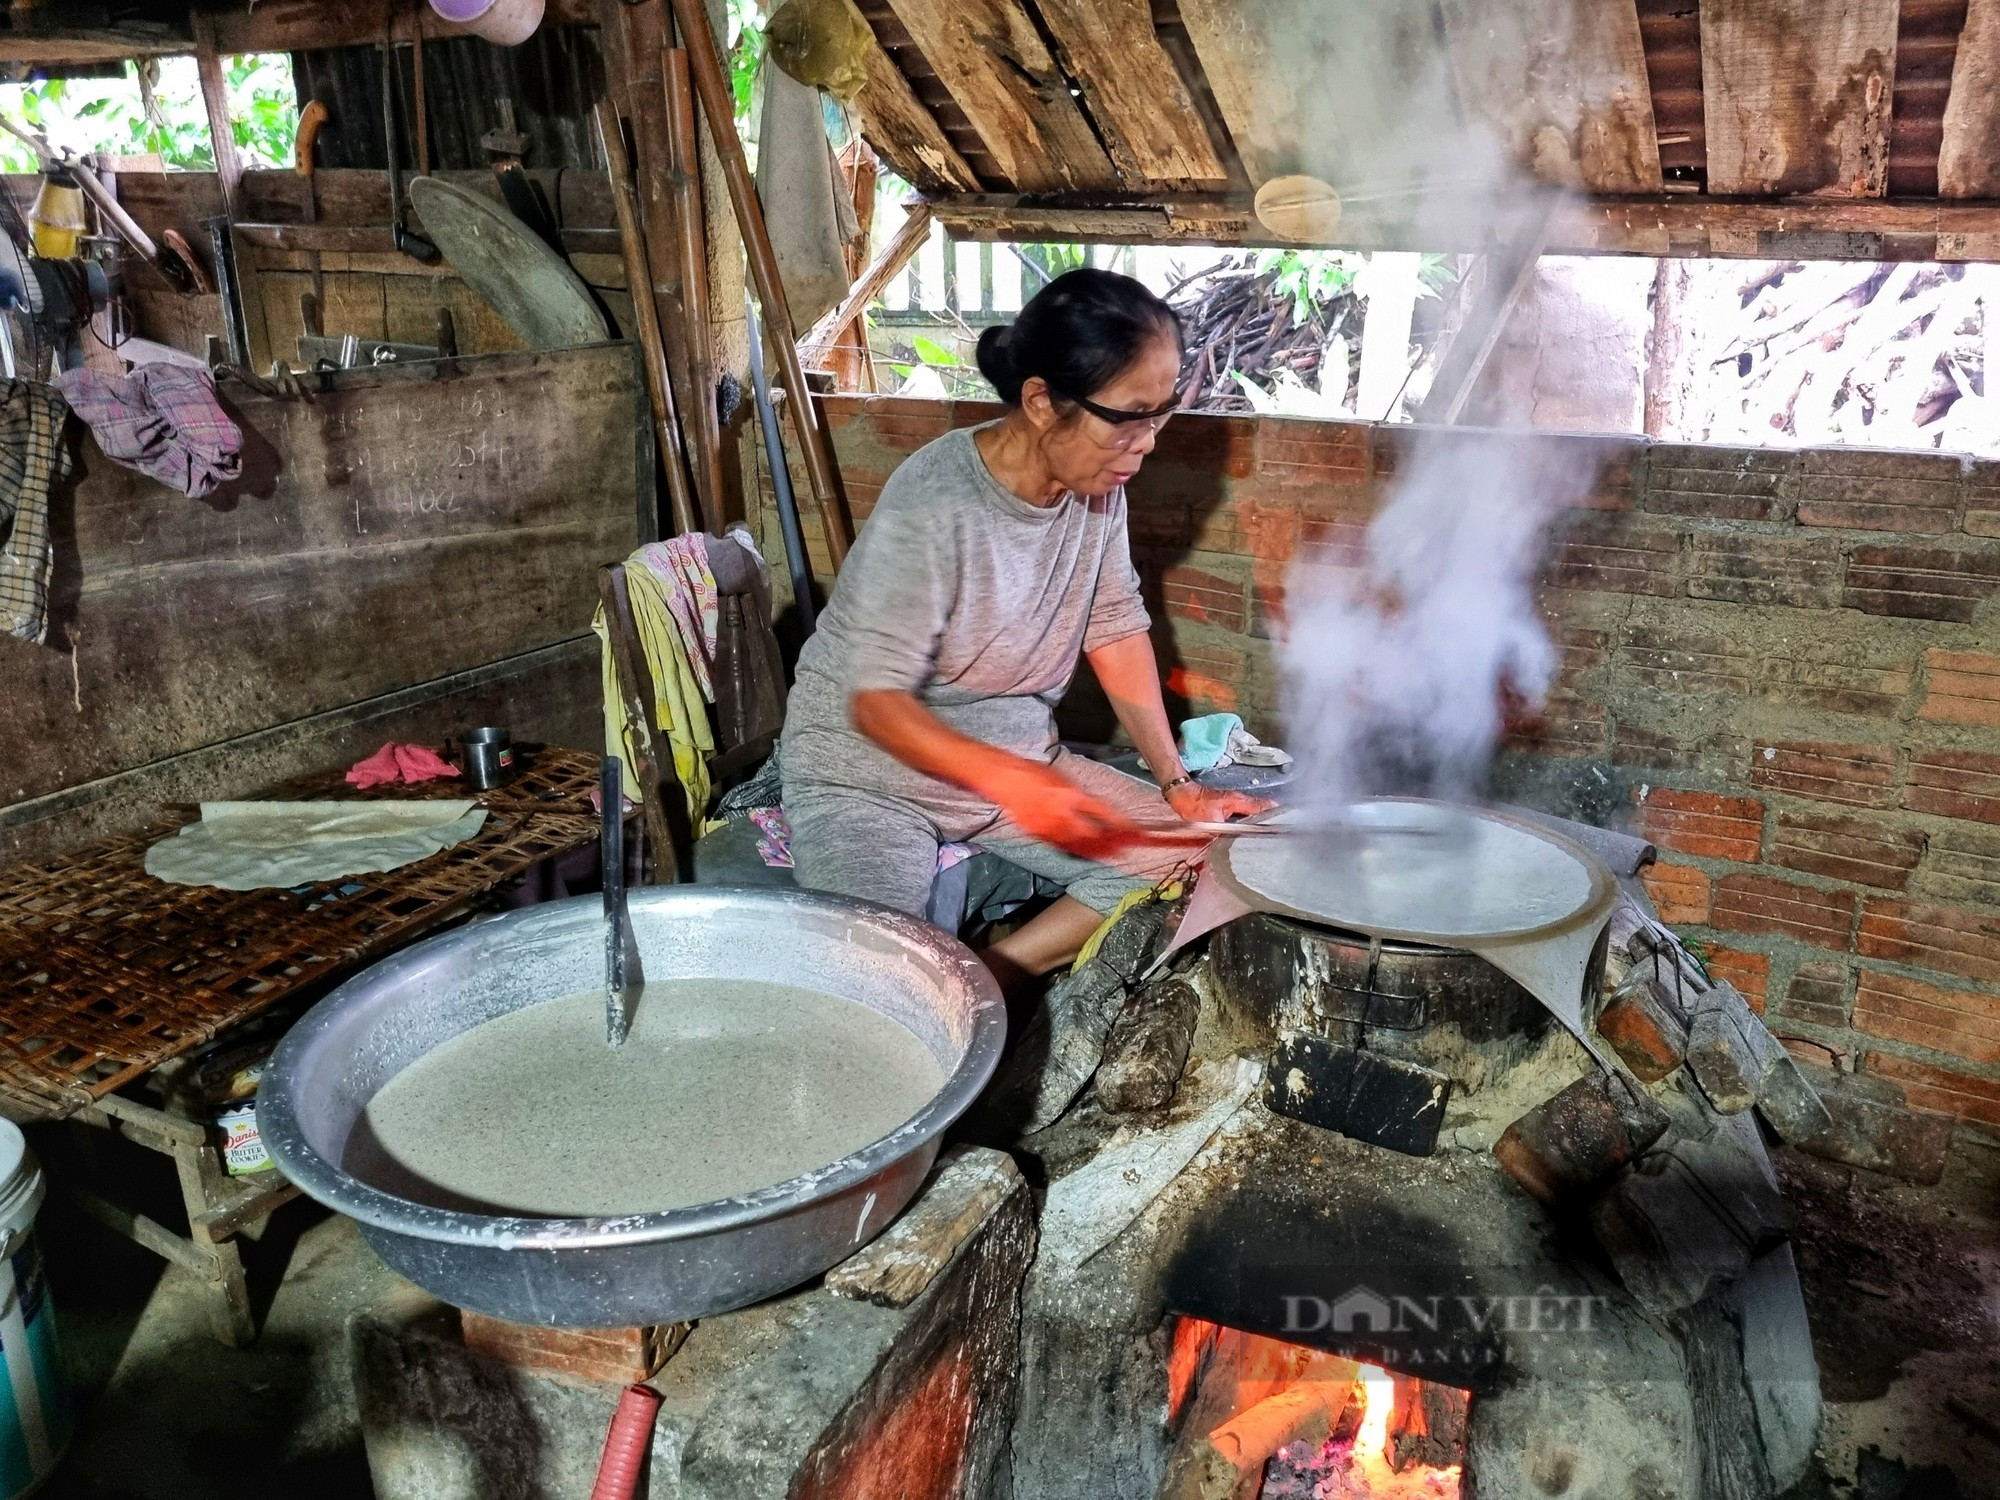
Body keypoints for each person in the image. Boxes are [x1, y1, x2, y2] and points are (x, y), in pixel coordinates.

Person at [779, 268, 1267, 989]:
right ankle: (936, 1002)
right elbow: (875, 702)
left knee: (1201, 856)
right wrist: (1013, 779)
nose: (1147, 442)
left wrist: (1175, 783)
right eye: (1130, 416)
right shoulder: (936, 501)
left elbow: (1113, 622)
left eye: (1162, 414)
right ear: (1042, 401)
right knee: (868, 983)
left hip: (1015, 765)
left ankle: (986, 983)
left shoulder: (1099, 485)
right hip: (870, 778)